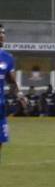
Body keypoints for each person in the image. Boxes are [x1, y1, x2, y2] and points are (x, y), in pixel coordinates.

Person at [0, 25, 23, 162]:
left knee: (1, 139)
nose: (2, 36)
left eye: (3, 33)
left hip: (0, 107)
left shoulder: (8, 58)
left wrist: (20, 95)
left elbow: (11, 81)